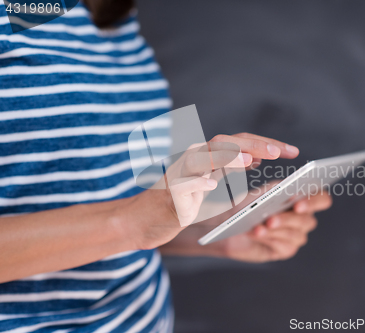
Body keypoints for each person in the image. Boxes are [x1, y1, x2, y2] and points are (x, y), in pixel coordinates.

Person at [0, 0, 332, 331]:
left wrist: (213, 228)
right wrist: (130, 222)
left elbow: (136, 208)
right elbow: (133, 220)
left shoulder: (113, 16)